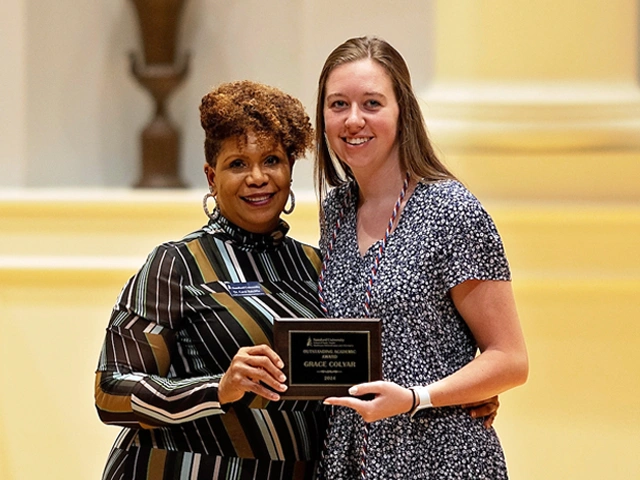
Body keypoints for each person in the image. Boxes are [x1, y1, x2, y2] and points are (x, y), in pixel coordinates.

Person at [314, 36, 529, 479]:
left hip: (438, 455)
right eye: (338, 104)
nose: (353, 120)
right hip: (350, 457)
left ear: (402, 112)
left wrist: (417, 397)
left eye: (372, 103)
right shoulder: (335, 211)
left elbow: (509, 358)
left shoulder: (450, 210)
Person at [94, 80, 329, 479]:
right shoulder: (177, 265)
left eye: (272, 160)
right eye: (238, 164)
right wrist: (217, 389)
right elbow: (111, 391)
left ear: (290, 169)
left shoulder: (316, 265)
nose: (258, 177)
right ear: (211, 177)